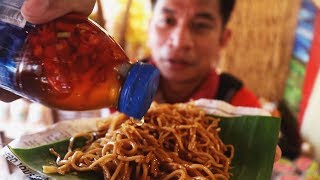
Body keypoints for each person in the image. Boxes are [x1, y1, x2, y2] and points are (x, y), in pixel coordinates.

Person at [0, 0, 281, 161]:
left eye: (200, 25)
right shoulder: (94, 82)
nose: (179, 41)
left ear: (223, 40)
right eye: (168, 21)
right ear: (150, 26)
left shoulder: (241, 105)